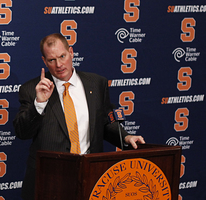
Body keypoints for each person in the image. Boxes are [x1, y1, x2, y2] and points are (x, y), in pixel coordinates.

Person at [13, 33, 145, 200]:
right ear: (44, 61)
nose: (59, 64)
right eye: (52, 60)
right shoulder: (32, 89)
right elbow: (22, 132)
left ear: (71, 52)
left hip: (90, 175)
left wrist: (126, 138)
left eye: (62, 56)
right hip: (50, 180)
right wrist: (39, 103)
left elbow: (104, 123)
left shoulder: (96, 83)